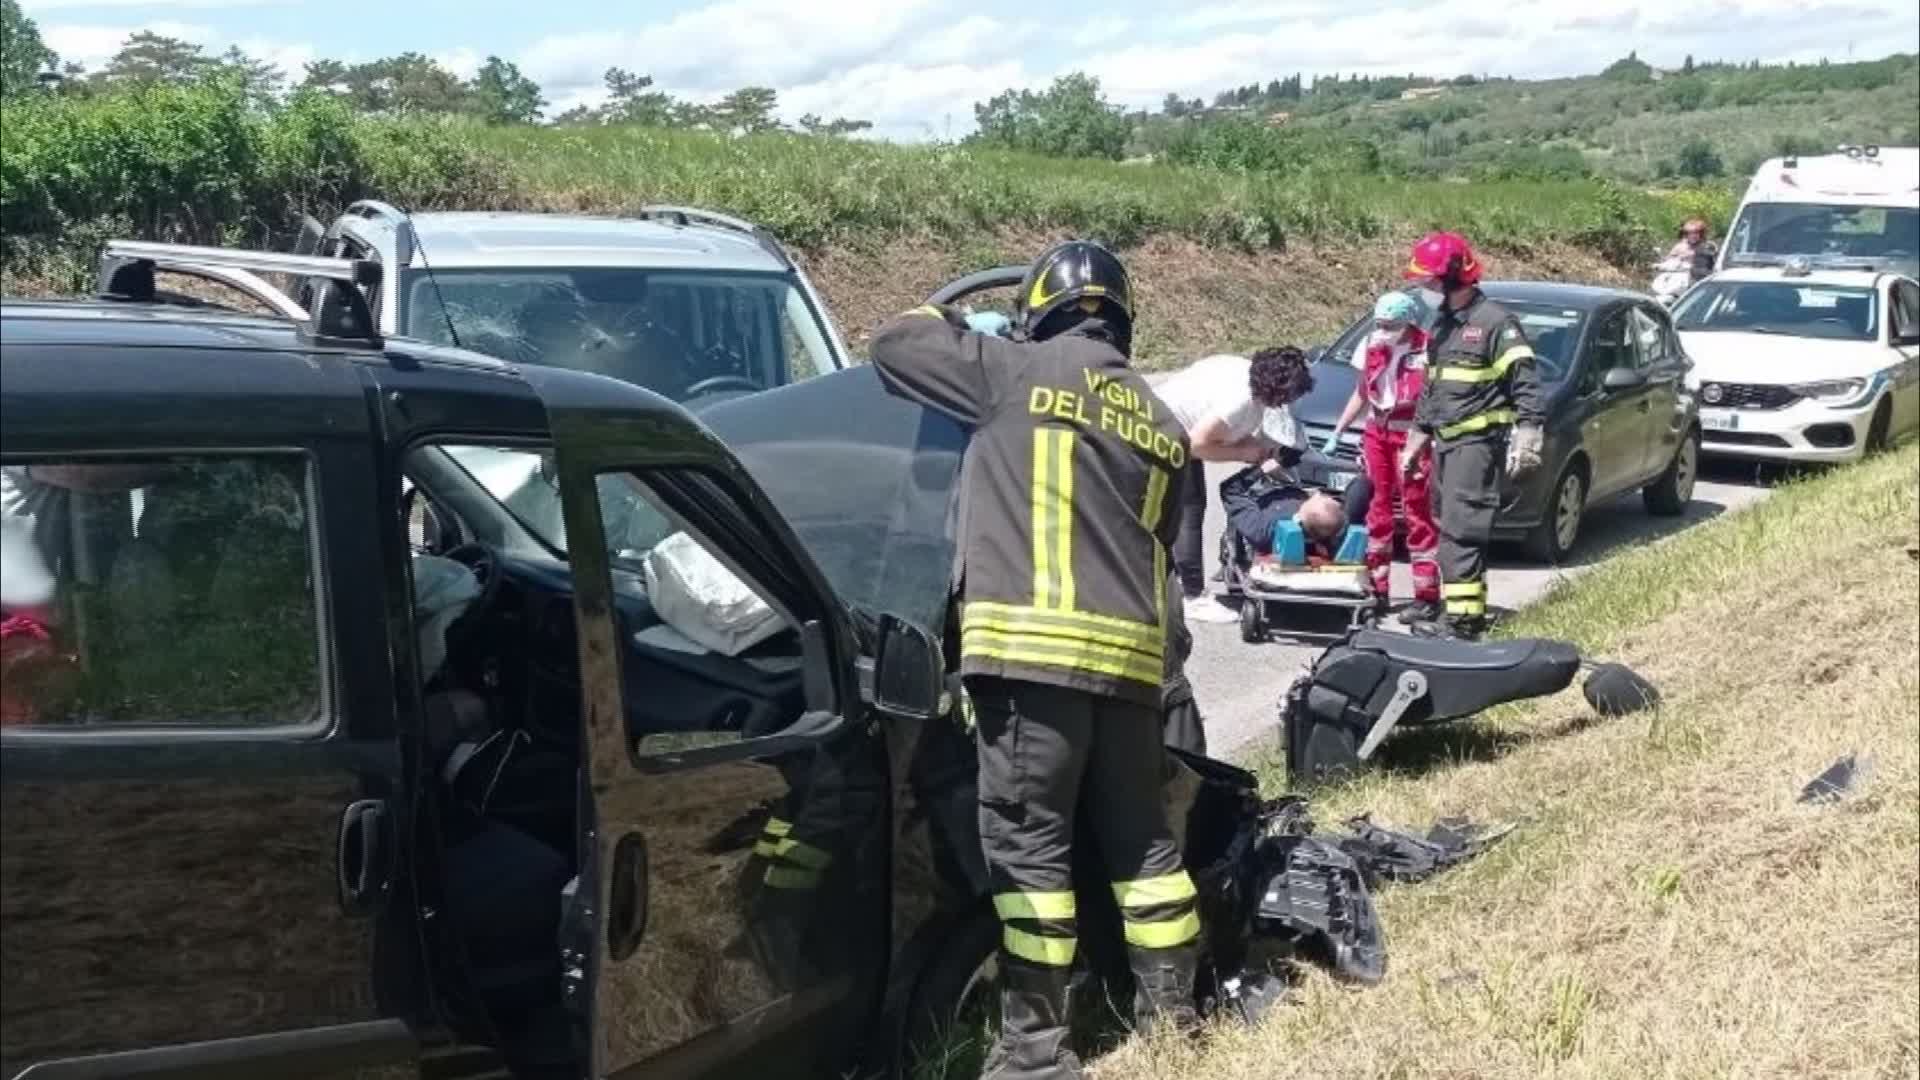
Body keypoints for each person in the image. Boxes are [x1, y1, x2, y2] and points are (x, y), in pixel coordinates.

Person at [869, 240, 1203, 1079]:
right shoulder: (1162, 423)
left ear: (1035, 312)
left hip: (1031, 667)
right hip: (1131, 675)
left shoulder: (1012, 372)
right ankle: (1177, 1023)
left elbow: (893, 346)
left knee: (1030, 861)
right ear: (1123, 318)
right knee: (1148, 854)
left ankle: (1034, 1053)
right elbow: (1173, 562)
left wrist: (949, 314)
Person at [1397, 232, 1546, 640]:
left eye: (1428, 280)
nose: (1423, 288)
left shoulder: (1495, 323)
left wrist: (1529, 433)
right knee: (1451, 529)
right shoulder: (1443, 322)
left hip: (1476, 446)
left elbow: (1527, 384)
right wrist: (1417, 438)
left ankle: (1461, 625)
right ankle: (1466, 613)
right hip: (1447, 444)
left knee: (1462, 533)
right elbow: (1433, 388)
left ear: (1451, 276)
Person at [1155, 347, 1315, 624]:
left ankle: (1169, 581)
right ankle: (1192, 597)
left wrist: (1259, 448)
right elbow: (1197, 444)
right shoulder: (1240, 402)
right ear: (1278, 391)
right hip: (1165, 431)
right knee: (1189, 511)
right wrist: (1242, 453)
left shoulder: (1243, 370)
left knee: (1168, 511)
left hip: (1161, 416)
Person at [1324, 291, 1442, 621]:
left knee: (1417, 511)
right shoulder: (1372, 344)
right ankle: (1378, 589)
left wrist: (1423, 442)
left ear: (1409, 323)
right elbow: (1363, 392)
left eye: (1391, 325)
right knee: (1378, 511)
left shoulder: (1428, 349)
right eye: (1380, 323)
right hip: (1378, 431)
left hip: (1412, 434)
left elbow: (1435, 400)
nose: (1384, 330)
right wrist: (1339, 430)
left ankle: (1426, 596)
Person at [1220, 466, 1370, 562]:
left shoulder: (1265, 531)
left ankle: (1230, 558)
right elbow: (1362, 483)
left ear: (1301, 513)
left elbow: (1229, 490)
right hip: (1290, 487)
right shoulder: (1336, 536)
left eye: (1320, 497)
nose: (1318, 493)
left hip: (1265, 491)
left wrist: (1261, 469)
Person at [1667, 218, 1718, 283]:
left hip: (1702, 279)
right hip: (1680, 280)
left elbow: (1714, 261)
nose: (1693, 236)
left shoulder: (1709, 246)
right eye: (1690, 233)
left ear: (1701, 234)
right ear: (1686, 234)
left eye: (1696, 233)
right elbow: (1669, 261)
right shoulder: (1679, 247)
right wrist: (1680, 258)